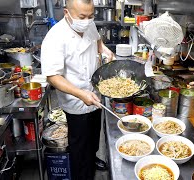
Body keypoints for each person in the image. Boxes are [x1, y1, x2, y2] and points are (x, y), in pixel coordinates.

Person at [41, 0, 115, 179]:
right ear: (66, 12)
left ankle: (91, 162)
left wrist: (105, 51)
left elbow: (97, 40)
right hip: (75, 101)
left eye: (91, 16)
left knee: (93, 142)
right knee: (80, 149)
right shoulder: (55, 37)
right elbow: (53, 76)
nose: (87, 20)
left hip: (94, 96)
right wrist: (81, 94)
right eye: (82, 17)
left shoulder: (89, 25)